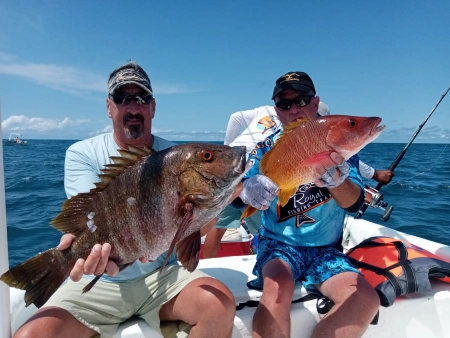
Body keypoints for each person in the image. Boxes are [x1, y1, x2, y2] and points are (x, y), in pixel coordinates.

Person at [14, 61, 236, 338]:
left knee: (219, 305)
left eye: (141, 98)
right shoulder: (82, 153)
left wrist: (233, 198)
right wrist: (75, 252)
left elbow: (194, 226)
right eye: (122, 98)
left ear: (153, 107)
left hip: (162, 276)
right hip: (101, 278)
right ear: (109, 106)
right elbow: (89, 219)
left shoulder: (174, 154)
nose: (133, 107)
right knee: (31, 335)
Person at [231, 71, 380, 338]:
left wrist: (338, 182)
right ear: (276, 110)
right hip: (278, 244)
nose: (293, 110)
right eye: (284, 104)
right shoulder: (265, 149)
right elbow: (232, 191)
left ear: (315, 102)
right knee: (278, 288)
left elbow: (355, 204)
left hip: (327, 250)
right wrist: (245, 191)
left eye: (301, 100)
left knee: (365, 300)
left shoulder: (348, 156)